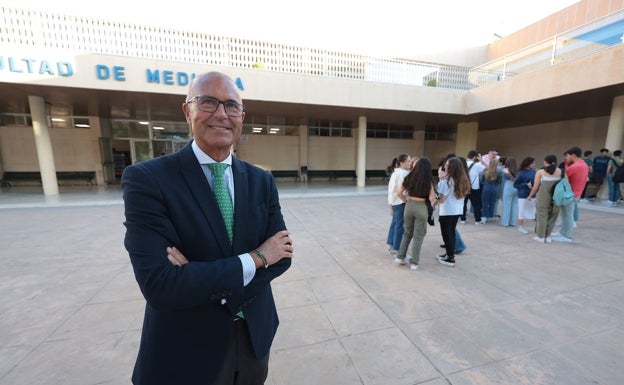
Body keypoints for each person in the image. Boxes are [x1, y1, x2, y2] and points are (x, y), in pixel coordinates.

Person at [122, 72, 293, 385]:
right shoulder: (148, 180)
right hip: (187, 347)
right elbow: (160, 285)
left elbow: (282, 256)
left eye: (231, 106)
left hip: (255, 338)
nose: (221, 114)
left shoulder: (261, 181)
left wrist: (199, 276)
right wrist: (256, 258)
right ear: (188, 110)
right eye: (209, 102)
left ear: (242, 116)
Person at [393, 157, 436, 270]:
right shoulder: (429, 180)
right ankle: (414, 262)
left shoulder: (409, 177)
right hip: (421, 207)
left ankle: (400, 256)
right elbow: (431, 197)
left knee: (407, 233)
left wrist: (406, 201)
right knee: (418, 236)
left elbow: (399, 192)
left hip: (409, 206)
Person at [433, 157, 470, 267]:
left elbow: (441, 198)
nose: (445, 167)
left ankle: (450, 258)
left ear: (452, 167)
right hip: (457, 211)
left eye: (447, 165)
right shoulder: (462, 180)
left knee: (446, 234)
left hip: (447, 211)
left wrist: (434, 204)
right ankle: (449, 254)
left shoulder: (446, 182)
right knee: (451, 233)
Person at [553, 146, 589, 243]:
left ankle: (566, 236)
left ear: (573, 155)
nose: (566, 158)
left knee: (568, 216)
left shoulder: (574, 167)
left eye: (567, 156)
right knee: (565, 215)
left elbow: (562, 177)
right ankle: (562, 233)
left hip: (570, 194)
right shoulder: (584, 165)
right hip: (576, 193)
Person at [527, 155, 562, 243]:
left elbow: (535, 187)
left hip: (543, 197)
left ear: (546, 162)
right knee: (552, 216)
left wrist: (530, 195)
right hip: (557, 197)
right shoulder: (560, 171)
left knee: (542, 216)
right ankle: (548, 236)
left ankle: (541, 236)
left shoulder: (540, 172)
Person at [386, 154, 412, 255]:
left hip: (395, 202)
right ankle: (397, 249)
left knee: (395, 224)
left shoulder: (395, 173)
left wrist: (391, 204)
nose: (410, 163)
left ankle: (390, 245)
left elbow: (391, 191)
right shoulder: (403, 174)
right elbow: (403, 191)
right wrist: (407, 201)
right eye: (408, 161)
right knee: (399, 226)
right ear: (402, 163)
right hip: (401, 202)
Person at [514, 157, 537, 234]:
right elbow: (516, 184)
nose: (534, 164)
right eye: (533, 163)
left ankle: (538, 226)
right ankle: (520, 226)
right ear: (529, 163)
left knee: (534, 209)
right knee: (522, 210)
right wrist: (526, 184)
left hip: (532, 193)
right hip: (523, 194)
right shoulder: (521, 173)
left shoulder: (534, 171)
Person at [464, 150, 486, 224]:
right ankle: (477, 220)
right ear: (474, 157)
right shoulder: (477, 165)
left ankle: (462, 219)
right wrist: (481, 160)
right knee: (477, 205)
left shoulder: (462, 164)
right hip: (474, 187)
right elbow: (487, 167)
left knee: (463, 203)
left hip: (464, 187)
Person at [500, 157, 518, 227]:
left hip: (508, 185)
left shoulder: (505, 169)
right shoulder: (518, 170)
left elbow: (506, 176)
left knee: (507, 205)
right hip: (516, 187)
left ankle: (505, 222)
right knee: (514, 205)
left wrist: (510, 175)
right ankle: (512, 222)